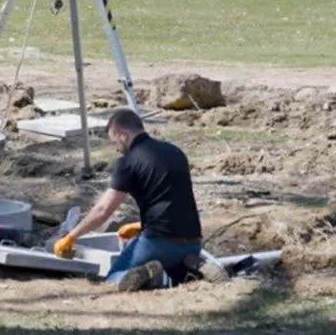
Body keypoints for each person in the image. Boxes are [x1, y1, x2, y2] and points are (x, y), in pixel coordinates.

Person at [53, 108, 226, 291]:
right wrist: (139, 225)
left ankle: (150, 277)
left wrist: (72, 236)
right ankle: (196, 270)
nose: (116, 149)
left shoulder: (128, 162)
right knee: (179, 280)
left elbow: (103, 209)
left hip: (158, 242)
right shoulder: (175, 152)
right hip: (193, 241)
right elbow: (171, 198)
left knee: (113, 280)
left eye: (115, 142)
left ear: (123, 136)